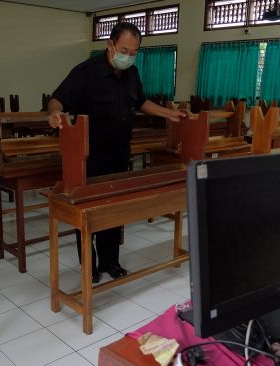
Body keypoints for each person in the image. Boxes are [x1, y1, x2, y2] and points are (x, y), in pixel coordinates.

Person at [48, 22, 186, 283]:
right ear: (110, 45)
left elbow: (141, 101)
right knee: (88, 213)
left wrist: (169, 113)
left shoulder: (132, 74)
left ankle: (110, 261)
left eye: (133, 53)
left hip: (120, 153)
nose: (128, 57)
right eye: (124, 50)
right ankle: (88, 266)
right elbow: (58, 98)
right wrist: (55, 112)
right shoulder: (85, 73)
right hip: (90, 156)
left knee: (113, 210)